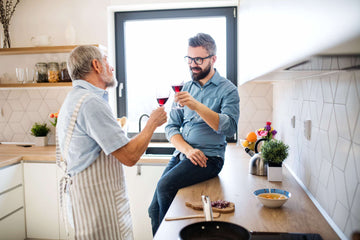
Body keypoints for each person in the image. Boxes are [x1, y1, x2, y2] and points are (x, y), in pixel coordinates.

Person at [56, 45, 167, 240]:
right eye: (107, 60)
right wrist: (152, 124)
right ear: (96, 65)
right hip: (99, 205)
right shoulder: (91, 102)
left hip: (88, 199)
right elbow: (129, 156)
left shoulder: (75, 98)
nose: (112, 67)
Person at [148, 33, 240, 235]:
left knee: (164, 187)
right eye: (189, 59)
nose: (192, 64)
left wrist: (196, 105)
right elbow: (172, 127)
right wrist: (188, 150)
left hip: (210, 158)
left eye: (199, 59)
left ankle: (170, 236)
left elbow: (229, 128)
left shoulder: (228, 90)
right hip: (185, 155)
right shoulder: (184, 88)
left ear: (213, 59)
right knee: (153, 209)